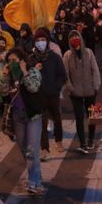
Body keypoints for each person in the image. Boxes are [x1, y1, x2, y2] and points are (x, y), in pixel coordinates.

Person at [0, 48, 45, 194]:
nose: (12, 63)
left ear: (22, 59)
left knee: (32, 150)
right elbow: (3, 93)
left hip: (32, 116)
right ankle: (36, 174)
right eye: (10, 61)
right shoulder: (10, 76)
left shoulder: (32, 71)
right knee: (24, 148)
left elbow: (34, 87)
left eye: (15, 60)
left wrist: (25, 71)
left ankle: (34, 182)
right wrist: (5, 76)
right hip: (17, 116)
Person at [63, 31, 101, 153]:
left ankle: (91, 140)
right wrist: (70, 88)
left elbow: (95, 70)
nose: (74, 38)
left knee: (91, 117)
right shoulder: (67, 55)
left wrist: (96, 86)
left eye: (76, 36)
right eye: (71, 37)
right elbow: (65, 74)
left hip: (90, 91)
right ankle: (82, 143)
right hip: (75, 93)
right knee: (79, 118)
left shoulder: (89, 53)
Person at [31, 28, 66, 156]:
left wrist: (55, 87)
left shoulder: (55, 57)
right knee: (42, 122)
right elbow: (27, 76)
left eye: (43, 40)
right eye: (38, 40)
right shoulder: (31, 59)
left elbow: (62, 75)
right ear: (34, 43)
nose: (41, 43)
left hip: (52, 95)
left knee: (56, 118)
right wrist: (34, 69)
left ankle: (59, 140)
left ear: (47, 41)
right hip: (38, 96)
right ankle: (44, 148)